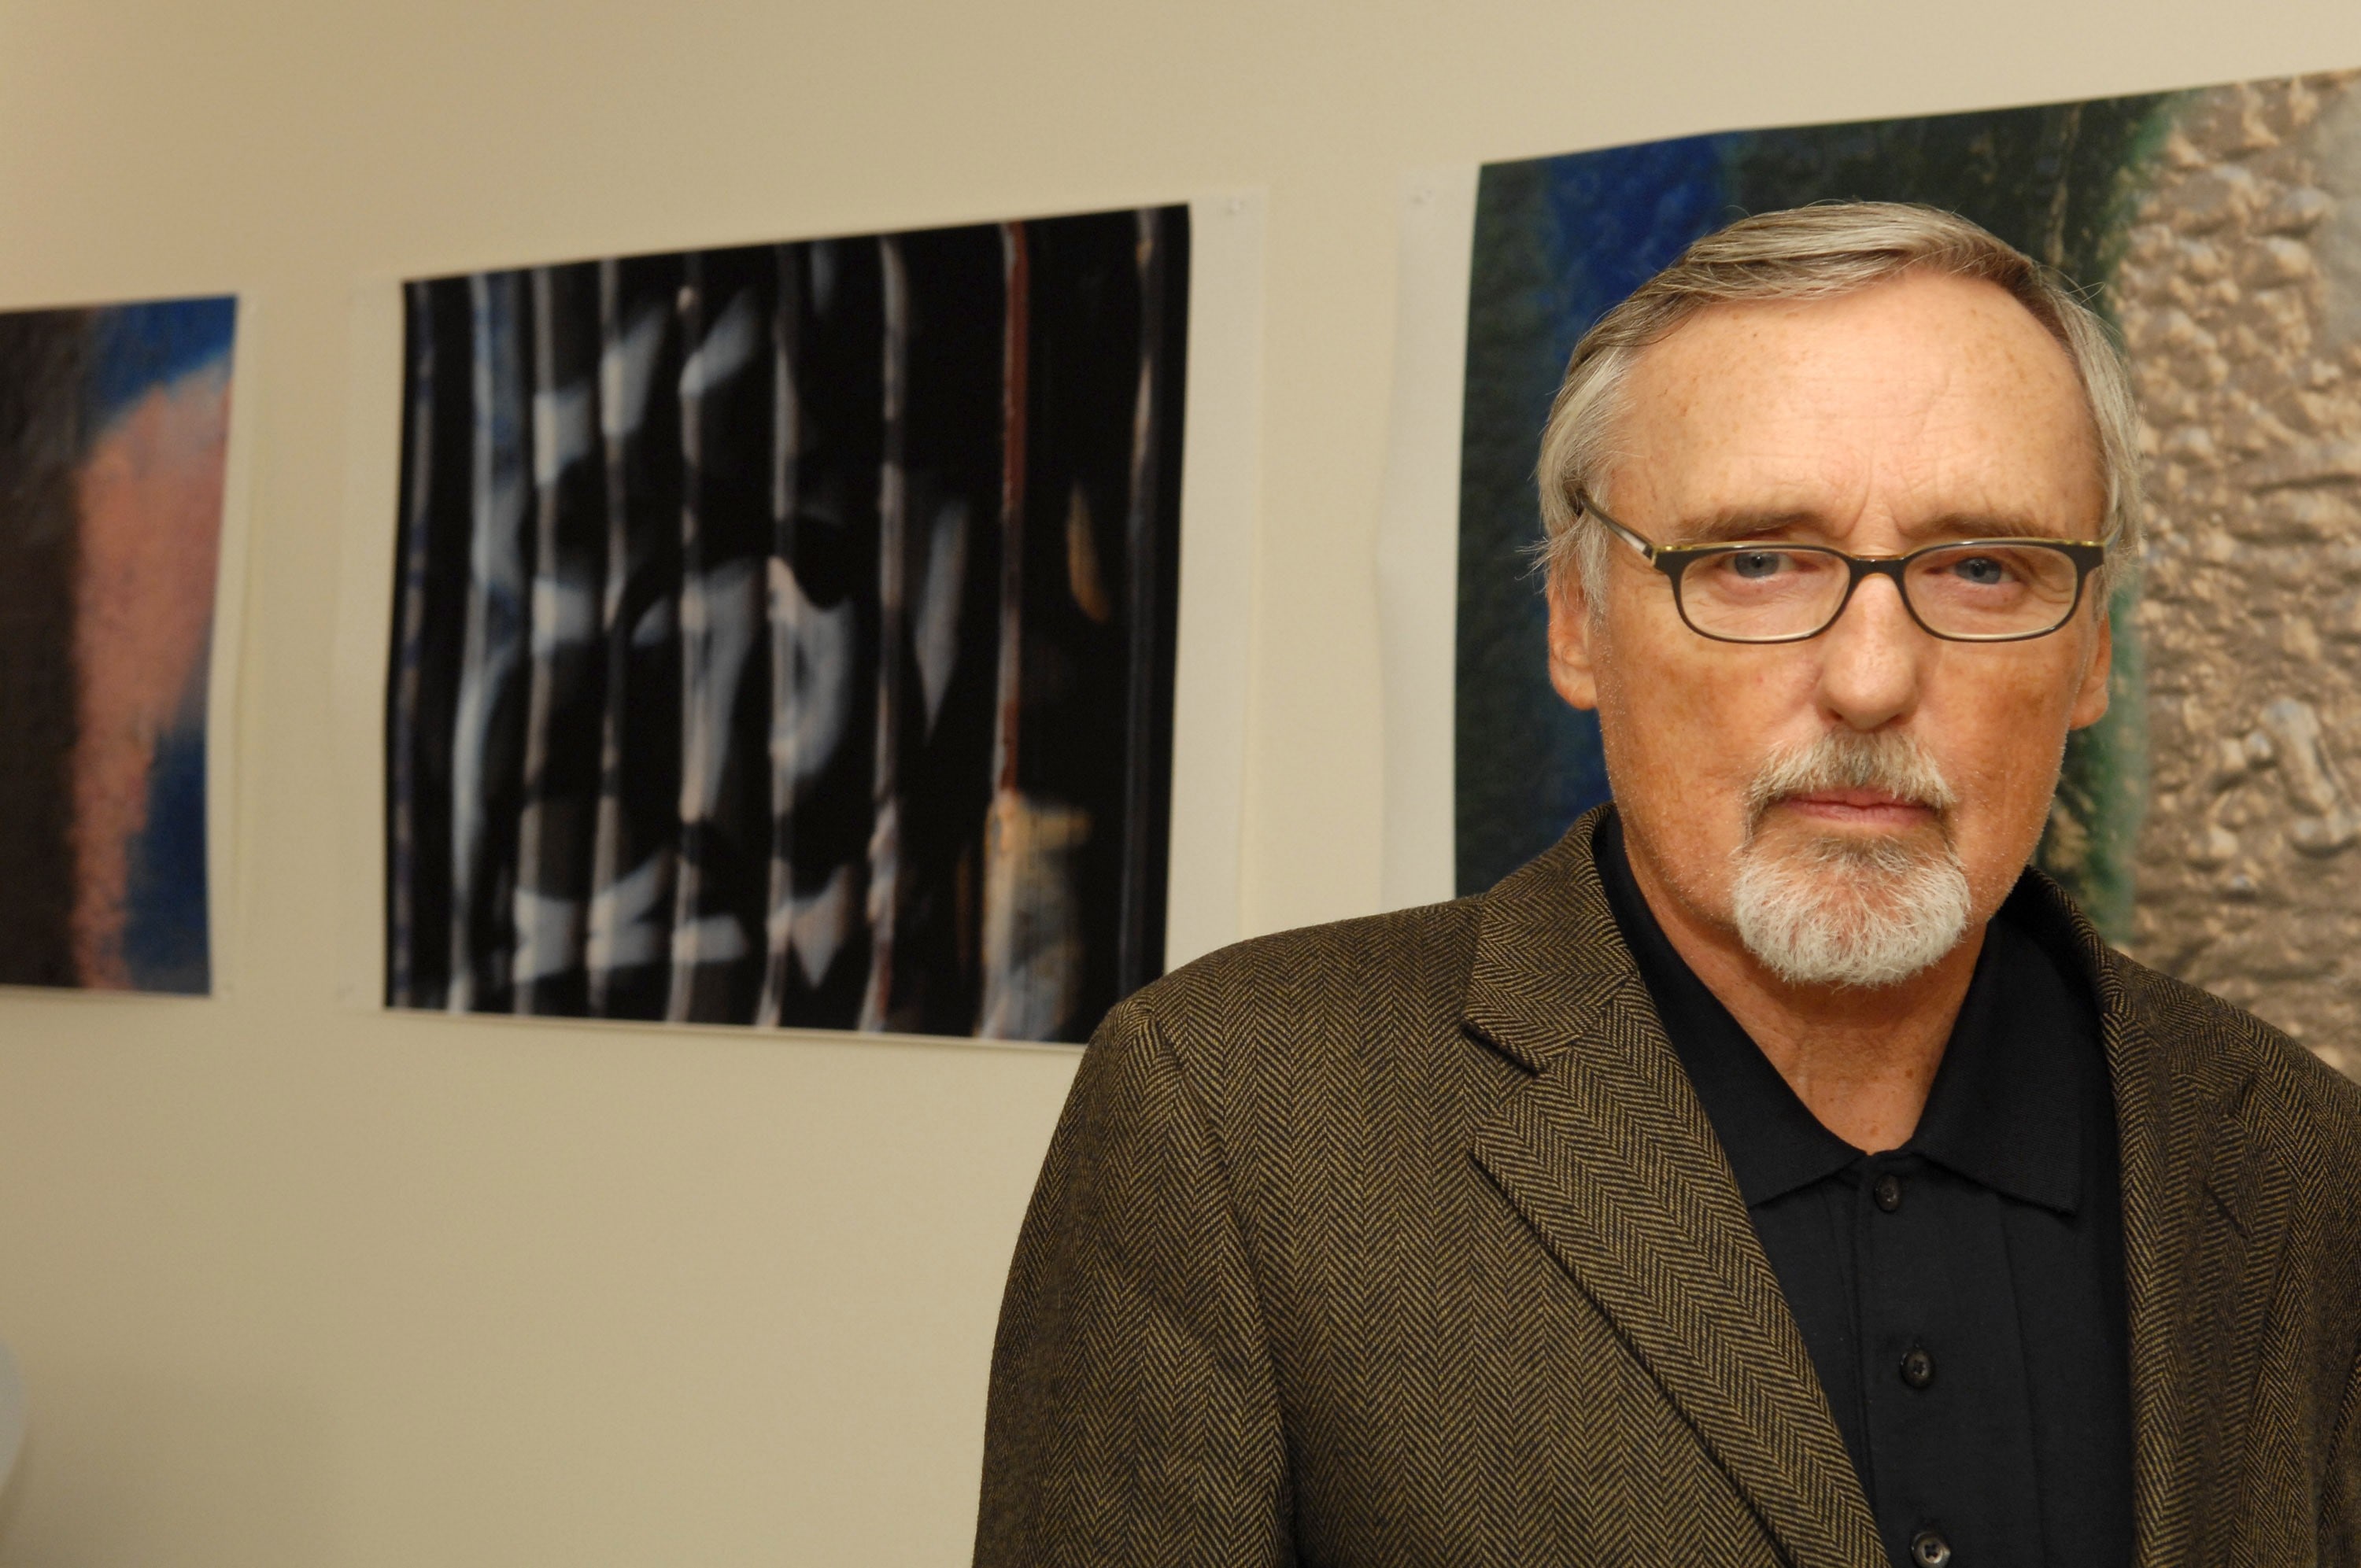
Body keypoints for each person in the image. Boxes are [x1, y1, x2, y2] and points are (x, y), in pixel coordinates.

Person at [974, 203, 2361, 1568]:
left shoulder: (2296, 1159)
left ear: (2093, 649)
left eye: (1983, 567)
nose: (1871, 677)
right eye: (1755, 560)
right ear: (1578, 620)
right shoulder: (1238, 1122)